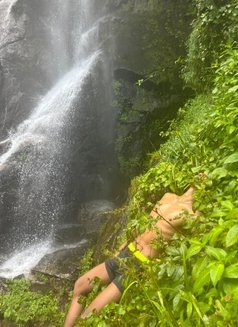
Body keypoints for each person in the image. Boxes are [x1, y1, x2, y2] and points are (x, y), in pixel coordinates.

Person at [64, 186, 197, 327]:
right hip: (125, 253)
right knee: (79, 286)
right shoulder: (168, 196)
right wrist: (119, 250)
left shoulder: (191, 214)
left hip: (138, 267)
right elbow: (143, 225)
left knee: (87, 318)